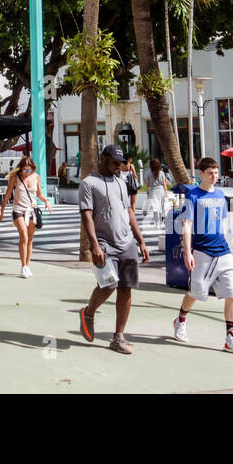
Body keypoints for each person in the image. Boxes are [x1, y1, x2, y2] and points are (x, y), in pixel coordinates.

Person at [172, 157, 233, 356]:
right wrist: (188, 251)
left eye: (216, 172)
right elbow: (187, 225)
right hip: (202, 253)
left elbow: (223, 223)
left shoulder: (221, 195)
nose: (214, 176)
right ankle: (181, 319)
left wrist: (229, 247)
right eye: (210, 173)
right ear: (201, 174)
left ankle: (230, 337)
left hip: (224, 253)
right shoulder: (193, 196)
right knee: (196, 293)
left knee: (232, 294)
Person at [78, 146, 150, 354]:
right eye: (114, 160)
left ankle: (118, 337)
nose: (118, 164)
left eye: (121, 162)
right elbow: (87, 215)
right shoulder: (89, 183)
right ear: (104, 158)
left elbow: (129, 212)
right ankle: (88, 313)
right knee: (109, 285)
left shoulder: (120, 183)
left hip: (126, 243)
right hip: (104, 243)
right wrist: (94, 245)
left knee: (126, 288)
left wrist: (141, 241)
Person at [0, 158, 52, 278]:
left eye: (30, 169)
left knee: (30, 239)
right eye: (24, 170)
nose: (27, 172)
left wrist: (46, 201)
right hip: (18, 210)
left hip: (32, 210)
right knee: (24, 236)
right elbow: (7, 194)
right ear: (20, 168)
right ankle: (23, 266)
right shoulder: (15, 177)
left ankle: (27, 266)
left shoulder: (36, 177)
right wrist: (1, 212)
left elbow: (39, 194)